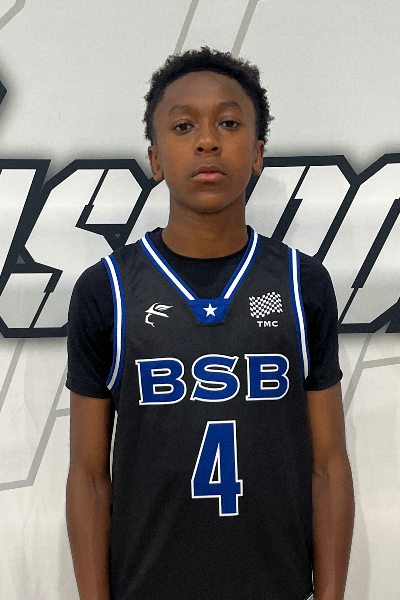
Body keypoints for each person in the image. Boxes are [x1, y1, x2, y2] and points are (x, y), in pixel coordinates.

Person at [66, 46, 354, 600]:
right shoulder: (108, 290)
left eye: (228, 122)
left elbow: (328, 465)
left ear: (258, 153)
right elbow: (88, 475)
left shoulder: (302, 284)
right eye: (183, 126)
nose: (207, 141)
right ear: (155, 160)